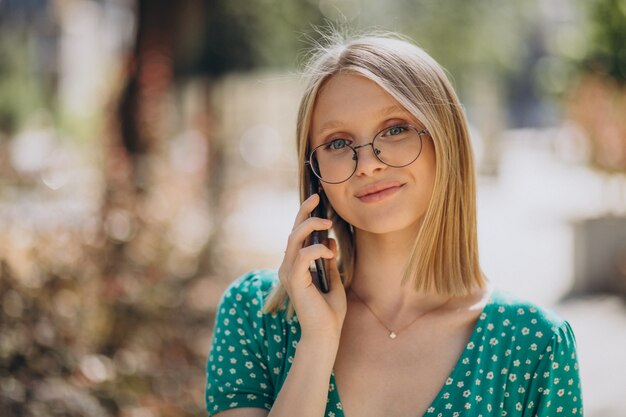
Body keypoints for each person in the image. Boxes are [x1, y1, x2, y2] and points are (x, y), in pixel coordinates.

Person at [205, 31, 583, 417]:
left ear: (446, 139)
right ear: (316, 173)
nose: (368, 163)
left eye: (394, 129)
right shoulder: (258, 315)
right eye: (338, 143)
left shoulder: (534, 344)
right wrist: (317, 341)